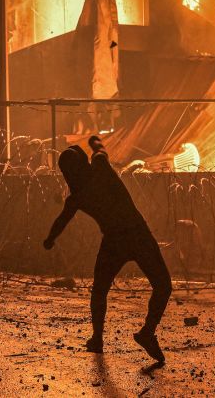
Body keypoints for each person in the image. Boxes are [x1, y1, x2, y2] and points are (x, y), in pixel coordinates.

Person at [43, 136, 171, 363]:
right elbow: (100, 150)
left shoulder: (77, 197)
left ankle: (97, 339)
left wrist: (50, 240)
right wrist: (94, 143)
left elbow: (61, 221)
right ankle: (147, 333)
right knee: (162, 285)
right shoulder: (100, 167)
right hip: (137, 234)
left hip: (114, 241)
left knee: (100, 290)